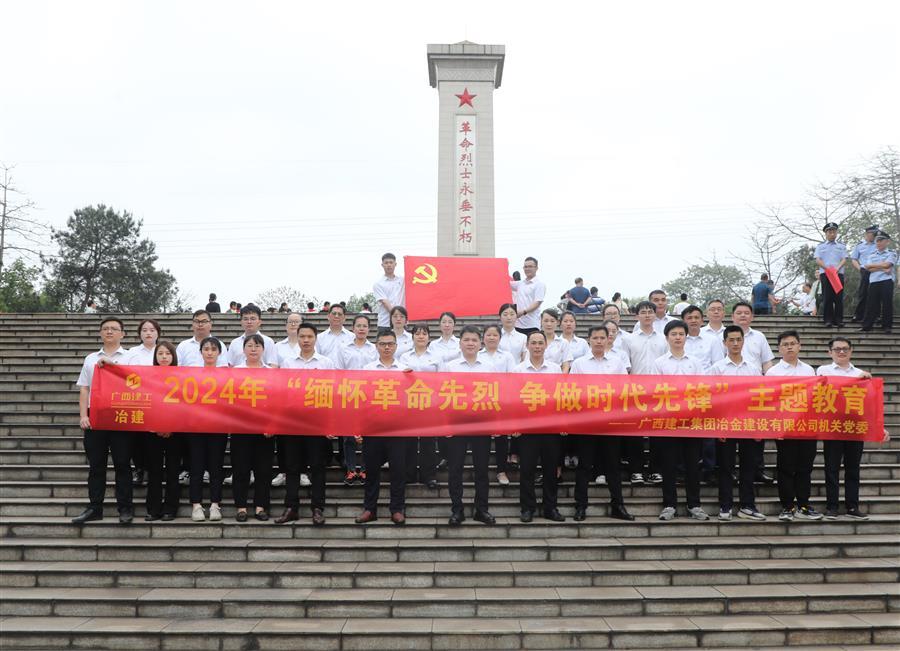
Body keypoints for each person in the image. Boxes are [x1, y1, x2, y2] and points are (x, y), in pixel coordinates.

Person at [569, 325, 634, 522]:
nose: (598, 341)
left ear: (608, 340)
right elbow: (572, 390)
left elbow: (624, 389)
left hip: (610, 421)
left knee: (613, 465)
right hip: (587, 421)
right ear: (589, 340)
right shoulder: (579, 364)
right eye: (595, 338)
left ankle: (618, 506)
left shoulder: (616, 363)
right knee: (584, 466)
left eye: (602, 338)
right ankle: (581, 506)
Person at [72, 317, 133, 524]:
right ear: (100, 333)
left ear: (122, 334)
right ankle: (94, 507)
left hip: (121, 416)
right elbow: (84, 388)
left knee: (123, 464)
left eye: (114, 328)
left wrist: (111, 365)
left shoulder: (130, 357)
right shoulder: (90, 358)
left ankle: (125, 508)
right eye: (105, 328)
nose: (109, 331)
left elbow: (135, 382)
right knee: (96, 465)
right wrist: (83, 415)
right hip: (96, 415)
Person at [275, 322, 335, 526]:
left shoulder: (326, 363)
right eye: (302, 337)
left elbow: (332, 394)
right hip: (293, 422)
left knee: (317, 467)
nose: (306, 340)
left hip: (317, 423)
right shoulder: (288, 363)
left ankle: (317, 508)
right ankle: (291, 507)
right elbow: (282, 393)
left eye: (310, 337)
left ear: (316, 339)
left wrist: (330, 423)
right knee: (292, 467)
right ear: (297, 338)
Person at [650, 320, 709, 521]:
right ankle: (669, 505)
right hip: (668, 422)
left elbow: (702, 389)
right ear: (667, 338)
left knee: (692, 465)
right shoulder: (659, 363)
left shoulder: (695, 362)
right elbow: (656, 391)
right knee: (668, 465)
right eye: (673, 334)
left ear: (686, 337)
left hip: (691, 422)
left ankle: (694, 505)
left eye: (681, 334)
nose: (677, 337)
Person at [708, 325, 766, 522]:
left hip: (748, 423)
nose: (735, 343)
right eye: (731, 340)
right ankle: (725, 506)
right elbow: (713, 399)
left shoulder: (753, 368)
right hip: (725, 424)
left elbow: (760, 399)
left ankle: (747, 505)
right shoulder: (717, 368)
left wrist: (758, 426)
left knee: (748, 466)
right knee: (726, 467)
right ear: (724, 343)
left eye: (738, 339)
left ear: (743, 341)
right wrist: (718, 426)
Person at [766, 330, 822, 522]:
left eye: (792, 343)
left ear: (799, 346)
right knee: (786, 467)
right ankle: (788, 506)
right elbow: (769, 402)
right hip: (785, 427)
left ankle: (804, 505)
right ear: (779, 348)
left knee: (805, 468)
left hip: (807, 426)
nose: (789, 347)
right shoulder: (773, 372)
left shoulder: (809, 370)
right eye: (785, 344)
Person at [444, 326, 496, 525]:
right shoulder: (450, 367)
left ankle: (481, 510)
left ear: (480, 343)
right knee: (455, 469)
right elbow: (443, 396)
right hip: (457, 425)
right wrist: (446, 424)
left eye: (474, 340)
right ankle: (457, 510)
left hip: (481, 424)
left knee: (482, 469)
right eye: (466, 340)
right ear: (460, 343)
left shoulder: (489, 367)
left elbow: (494, 396)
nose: (470, 343)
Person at [356, 329, 409, 525]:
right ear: (376, 346)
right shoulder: (367, 370)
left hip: (398, 429)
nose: (387, 347)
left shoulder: (405, 371)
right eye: (382, 344)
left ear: (396, 346)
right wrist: (359, 426)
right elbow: (361, 400)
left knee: (398, 471)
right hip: (373, 428)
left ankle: (397, 509)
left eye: (390, 344)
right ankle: (370, 509)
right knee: (371, 471)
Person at [817, 337, 873, 520]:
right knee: (831, 468)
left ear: (851, 351)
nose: (841, 352)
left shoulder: (860, 374)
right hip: (832, 427)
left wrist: (868, 382)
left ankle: (852, 506)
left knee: (853, 469)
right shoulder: (823, 371)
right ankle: (832, 506)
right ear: (830, 352)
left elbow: (869, 403)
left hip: (854, 428)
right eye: (837, 349)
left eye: (845, 349)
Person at [513, 331, 564, 522]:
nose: (537, 346)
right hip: (527, 428)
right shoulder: (518, 370)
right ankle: (527, 508)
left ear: (545, 345)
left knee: (550, 470)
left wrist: (562, 423)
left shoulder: (555, 369)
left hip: (550, 427)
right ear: (527, 346)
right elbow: (513, 399)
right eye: (533, 343)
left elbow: (561, 398)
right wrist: (515, 424)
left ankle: (550, 508)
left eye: (540, 343)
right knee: (527, 470)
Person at [621, 301, 668, 484]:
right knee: (635, 432)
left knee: (657, 431)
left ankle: (656, 470)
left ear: (655, 315)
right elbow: (625, 365)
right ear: (636, 316)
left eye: (650, 311)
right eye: (643, 312)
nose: (647, 315)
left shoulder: (663, 339)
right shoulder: (629, 339)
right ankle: (636, 470)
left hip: (658, 390)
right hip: (636, 390)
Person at [231, 334, 275, 521]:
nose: (253, 349)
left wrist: (272, 425)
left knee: (263, 470)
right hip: (241, 428)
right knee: (241, 469)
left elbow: (277, 401)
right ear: (243, 350)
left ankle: (260, 507)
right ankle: (241, 507)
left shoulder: (271, 373)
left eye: (257, 346)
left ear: (263, 349)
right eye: (249, 345)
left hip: (264, 430)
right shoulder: (235, 372)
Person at [188, 337, 228, 522]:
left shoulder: (226, 375)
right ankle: (196, 505)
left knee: (215, 467)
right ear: (201, 352)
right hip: (196, 426)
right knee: (196, 466)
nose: (210, 352)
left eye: (213, 349)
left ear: (219, 353)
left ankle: (214, 504)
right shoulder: (192, 374)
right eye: (206, 349)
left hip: (218, 427)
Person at [399, 324, 443, 490]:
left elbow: (442, 379)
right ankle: (408, 474)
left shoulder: (436, 357)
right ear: (412, 337)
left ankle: (429, 476)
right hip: (409, 403)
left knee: (428, 441)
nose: (421, 336)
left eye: (424, 333)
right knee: (408, 441)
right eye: (417, 334)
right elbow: (399, 379)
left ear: (429, 337)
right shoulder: (404, 357)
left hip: (429, 403)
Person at [337, 315, 378, 484]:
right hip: (349, 393)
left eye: (365, 326)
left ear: (369, 329)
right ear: (353, 328)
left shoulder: (374, 348)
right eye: (358, 326)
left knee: (368, 434)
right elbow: (339, 371)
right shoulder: (343, 348)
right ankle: (351, 470)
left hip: (369, 395)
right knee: (348, 435)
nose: (361, 329)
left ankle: (365, 469)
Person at [144, 341, 183, 521]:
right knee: (154, 471)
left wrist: (171, 426)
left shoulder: (182, 376)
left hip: (176, 432)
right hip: (153, 431)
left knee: (173, 471)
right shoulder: (148, 376)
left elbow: (185, 405)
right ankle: (153, 508)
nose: (164, 357)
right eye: (160, 353)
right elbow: (146, 403)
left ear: (173, 356)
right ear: (155, 356)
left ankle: (170, 508)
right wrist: (156, 426)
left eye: (168, 353)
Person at [478, 324, 516, 485]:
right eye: (489, 335)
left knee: (501, 438)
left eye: (495, 335)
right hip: (480, 402)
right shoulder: (477, 355)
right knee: (482, 440)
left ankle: (501, 471)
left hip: (501, 401)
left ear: (500, 338)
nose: (492, 338)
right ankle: (481, 471)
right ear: (483, 337)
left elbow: (512, 378)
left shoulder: (507, 356)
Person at [125, 319, 162, 486]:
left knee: (154, 439)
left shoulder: (163, 351)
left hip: (158, 402)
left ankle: (154, 470)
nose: (148, 333)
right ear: (139, 333)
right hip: (137, 400)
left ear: (158, 333)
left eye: (152, 330)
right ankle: (139, 468)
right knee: (136, 439)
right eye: (145, 330)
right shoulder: (132, 352)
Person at [860, 230, 896, 334]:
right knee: (871, 304)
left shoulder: (891, 253)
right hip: (874, 281)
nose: (878, 243)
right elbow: (868, 268)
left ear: (887, 241)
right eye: (877, 241)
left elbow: (888, 265)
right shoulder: (871, 255)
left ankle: (887, 326)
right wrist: (883, 267)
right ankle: (867, 326)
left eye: (881, 240)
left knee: (887, 303)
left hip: (886, 281)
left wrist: (875, 266)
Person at [814, 222, 848, 327]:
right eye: (829, 232)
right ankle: (828, 320)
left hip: (838, 274)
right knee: (827, 297)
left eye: (834, 231)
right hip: (826, 274)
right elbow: (818, 260)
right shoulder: (820, 246)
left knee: (838, 298)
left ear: (836, 233)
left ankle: (839, 320)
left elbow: (844, 259)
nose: (832, 234)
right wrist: (827, 268)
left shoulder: (841, 246)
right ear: (826, 233)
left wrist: (837, 268)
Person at [850, 225, 879, 322]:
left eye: (875, 234)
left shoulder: (878, 244)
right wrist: (860, 269)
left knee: (875, 293)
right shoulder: (860, 245)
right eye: (872, 234)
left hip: (876, 270)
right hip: (864, 270)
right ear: (867, 234)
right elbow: (854, 259)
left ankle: (876, 316)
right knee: (863, 293)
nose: (874, 236)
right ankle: (859, 315)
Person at [681, 305, 721, 371]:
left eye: (696, 317)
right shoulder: (678, 340)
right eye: (689, 318)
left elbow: (718, 364)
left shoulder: (712, 340)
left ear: (702, 320)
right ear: (683, 321)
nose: (693, 320)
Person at [512, 257, 546, 335]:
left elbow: (537, 303)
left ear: (536, 268)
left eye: (530, 266)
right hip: (518, 325)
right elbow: (505, 283)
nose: (527, 269)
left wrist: (523, 312)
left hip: (532, 325)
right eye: (525, 267)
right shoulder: (520, 284)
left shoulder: (539, 284)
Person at [374, 252, 405, 328]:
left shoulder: (403, 280)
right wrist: (397, 317)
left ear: (395, 264)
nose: (389, 265)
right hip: (385, 323)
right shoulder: (378, 284)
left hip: (401, 323)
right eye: (386, 263)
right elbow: (385, 302)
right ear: (382, 265)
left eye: (391, 262)